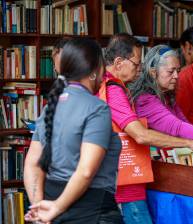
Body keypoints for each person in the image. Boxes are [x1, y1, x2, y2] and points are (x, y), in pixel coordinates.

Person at [102, 33, 193, 224]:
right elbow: (142, 135)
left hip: (126, 179)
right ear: (118, 63)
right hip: (125, 185)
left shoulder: (116, 86)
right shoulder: (115, 91)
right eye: (135, 64)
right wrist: (190, 142)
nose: (138, 69)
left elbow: (184, 124)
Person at [24, 38, 123, 223]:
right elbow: (85, 171)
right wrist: (56, 207)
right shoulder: (97, 108)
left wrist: (38, 207)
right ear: (95, 69)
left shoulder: (50, 107)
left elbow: (32, 164)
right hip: (92, 211)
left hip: (54, 208)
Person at [129, 44, 193, 143]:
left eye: (178, 71)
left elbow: (184, 123)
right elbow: (176, 127)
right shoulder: (144, 100)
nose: (176, 76)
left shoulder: (166, 95)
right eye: (171, 71)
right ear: (153, 72)